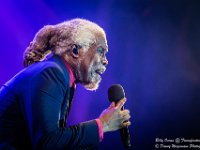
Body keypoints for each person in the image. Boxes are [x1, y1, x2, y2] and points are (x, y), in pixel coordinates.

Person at [0, 18, 131, 149]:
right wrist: (103, 125)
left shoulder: (61, 76)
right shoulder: (51, 73)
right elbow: (47, 143)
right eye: (101, 52)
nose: (105, 61)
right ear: (75, 51)